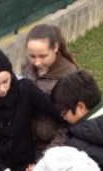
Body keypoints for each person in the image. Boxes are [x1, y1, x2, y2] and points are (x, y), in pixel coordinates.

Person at [20, 24, 79, 157]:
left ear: (55, 47)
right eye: (32, 56)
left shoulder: (69, 76)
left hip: (54, 149)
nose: (37, 62)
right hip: (25, 146)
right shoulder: (26, 66)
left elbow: (68, 127)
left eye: (43, 56)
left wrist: (46, 158)